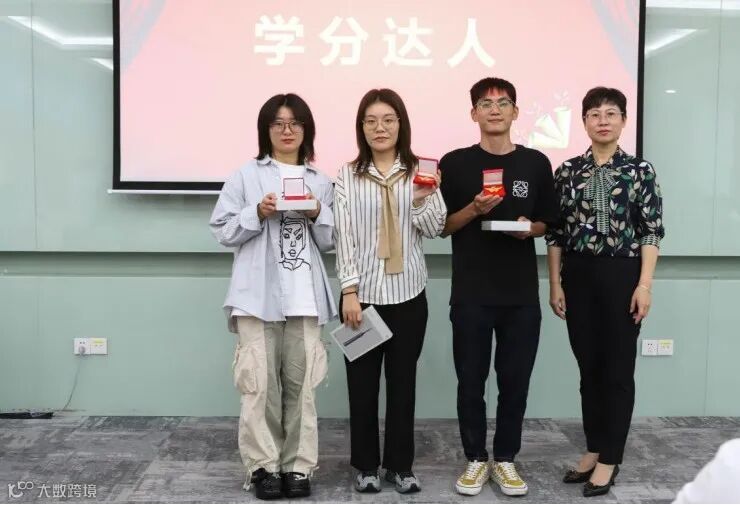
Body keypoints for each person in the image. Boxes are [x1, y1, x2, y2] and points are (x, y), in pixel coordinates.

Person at [209, 93, 336, 500]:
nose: (287, 130)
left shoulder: (321, 181)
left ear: (306, 130)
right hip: (256, 299)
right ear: (266, 130)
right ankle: (263, 467)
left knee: (303, 390)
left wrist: (318, 213)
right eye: (278, 123)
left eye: (295, 123)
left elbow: (333, 241)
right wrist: (257, 212)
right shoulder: (245, 176)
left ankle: (298, 467)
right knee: (258, 387)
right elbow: (222, 230)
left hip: (305, 300)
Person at [438, 77, 558, 497]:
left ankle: (505, 458)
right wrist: (474, 208)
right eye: (486, 104)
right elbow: (441, 226)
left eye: (503, 103)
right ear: (473, 113)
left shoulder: (535, 163)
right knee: (470, 382)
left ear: (515, 112)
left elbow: (548, 221)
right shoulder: (454, 164)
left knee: (515, 382)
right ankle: (475, 458)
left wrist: (530, 228)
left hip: (520, 296)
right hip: (471, 293)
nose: (495, 110)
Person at [545, 86, 665, 497]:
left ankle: (610, 458)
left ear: (623, 121)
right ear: (583, 122)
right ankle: (594, 448)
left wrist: (644, 285)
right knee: (589, 369)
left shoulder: (640, 170)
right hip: (577, 275)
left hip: (622, 275)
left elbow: (651, 232)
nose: (602, 120)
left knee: (617, 370)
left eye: (611, 113)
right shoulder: (567, 171)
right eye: (594, 114)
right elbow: (556, 234)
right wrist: (555, 283)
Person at [334, 88, 446, 494]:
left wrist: (419, 200)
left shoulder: (423, 170)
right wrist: (349, 291)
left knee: (403, 386)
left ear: (401, 124)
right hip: (362, 298)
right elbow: (344, 236)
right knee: (362, 388)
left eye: (387, 120)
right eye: (371, 121)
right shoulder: (347, 175)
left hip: (408, 295)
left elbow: (435, 227)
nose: (379, 128)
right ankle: (366, 465)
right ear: (361, 128)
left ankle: (400, 466)